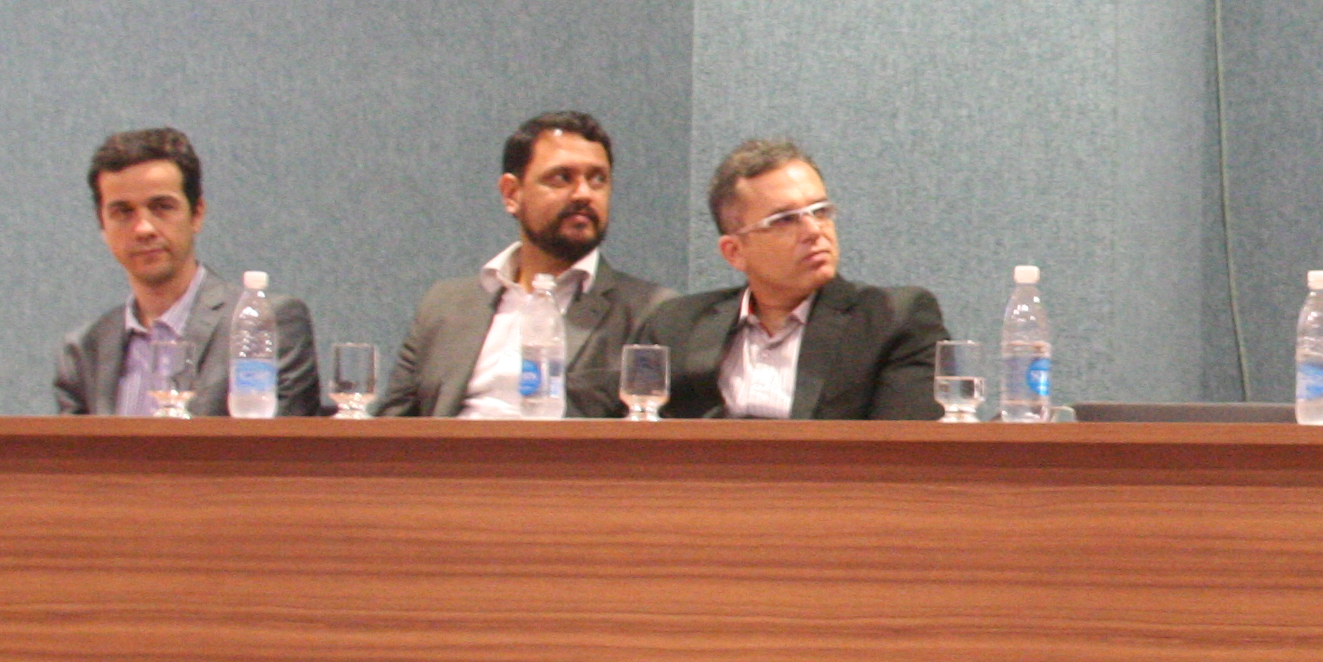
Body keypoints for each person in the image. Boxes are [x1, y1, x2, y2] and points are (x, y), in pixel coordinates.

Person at [378, 111, 674, 419]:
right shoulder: (444, 305)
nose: (584, 193)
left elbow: (651, 434)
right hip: (449, 449)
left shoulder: (649, 311)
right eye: (562, 178)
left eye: (597, 179)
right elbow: (390, 426)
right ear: (512, 193)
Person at [627, 140, 943, 420]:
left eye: (820, 211)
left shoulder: (891, 320)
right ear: (735, 252)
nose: (814, 231)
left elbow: (902, 450)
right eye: (785, 219)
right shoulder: (677, 325)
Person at [54, 126, 326, 417]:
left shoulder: (265, 322)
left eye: (161, 207)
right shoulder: (85, 349)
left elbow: (279, 442)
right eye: (123, 212)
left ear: (197, 214)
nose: (143, 229)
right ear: (102, 226)